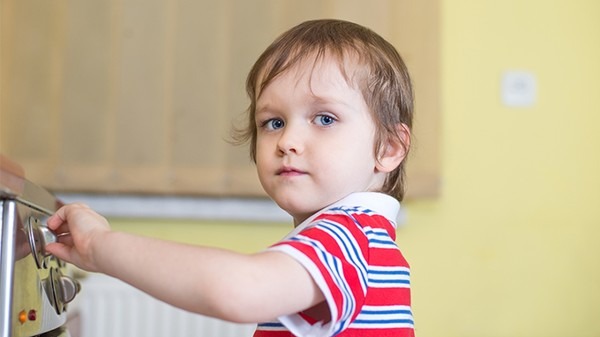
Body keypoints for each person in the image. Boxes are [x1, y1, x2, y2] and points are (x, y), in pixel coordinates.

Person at [46, 19, 415, 337]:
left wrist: (99, 245)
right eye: (274, 122)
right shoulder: (360, 237)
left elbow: (240, 289)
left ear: (389, 148)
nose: (287, 141)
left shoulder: (349, 235)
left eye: (325, 119)